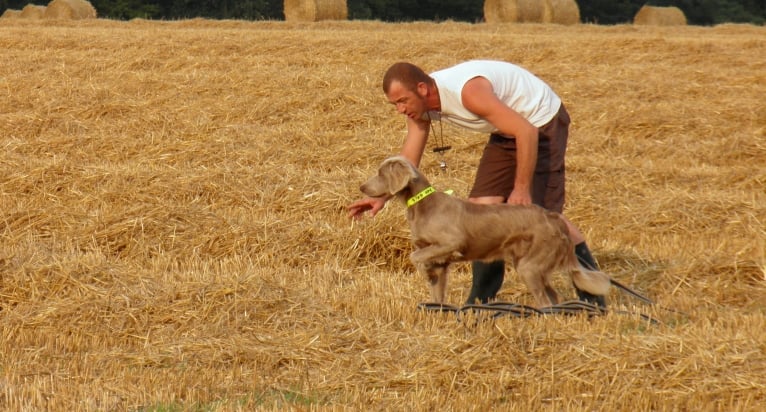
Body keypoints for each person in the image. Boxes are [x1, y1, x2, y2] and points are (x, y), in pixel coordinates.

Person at [348, 60, 605, 307]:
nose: (400, 110)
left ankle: (593, 297)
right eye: (395, 104)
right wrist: (381, 197)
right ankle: (482, 300)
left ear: (422, 89)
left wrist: (521, 189)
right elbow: (408, 162)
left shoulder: (469, 93)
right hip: (505, 129)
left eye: (402, 101)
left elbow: (526, 131)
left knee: (543, 216)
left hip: (539, 122)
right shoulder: (419, 106)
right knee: (481, 205)